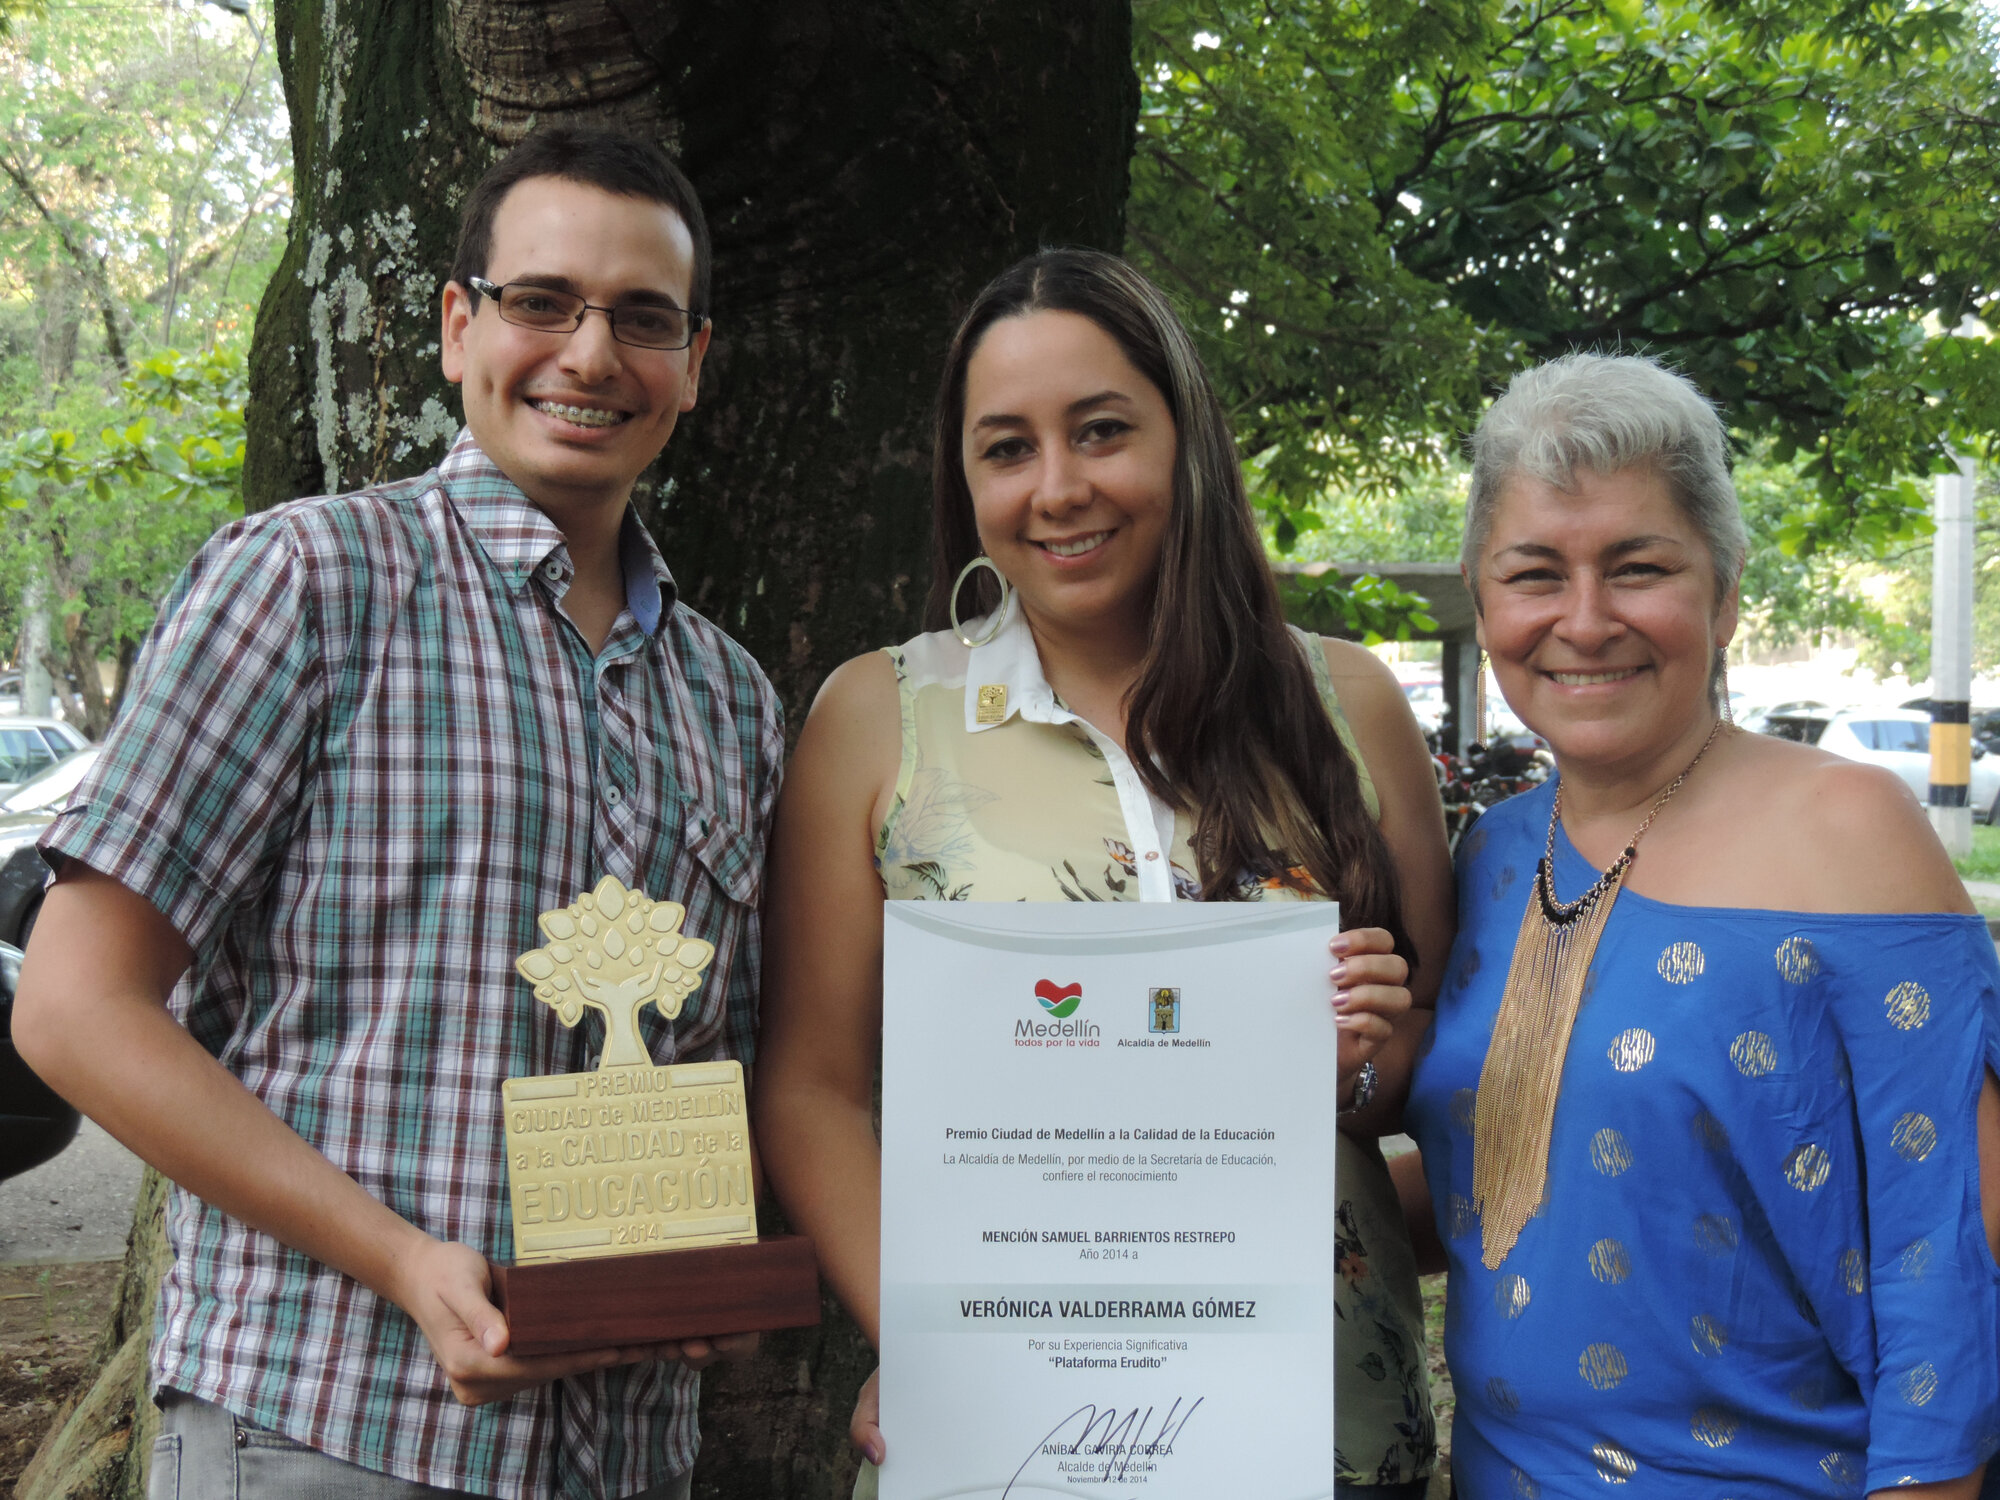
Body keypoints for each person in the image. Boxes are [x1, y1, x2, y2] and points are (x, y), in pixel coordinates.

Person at [12, 126, 781, 1500]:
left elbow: (708, 1064)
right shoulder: (309, 583)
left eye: (643, 319)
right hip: (327, 1423)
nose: (591, 356)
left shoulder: (729, 696)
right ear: (455, 325)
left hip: (625, 1452)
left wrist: (704, 1266)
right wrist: (402, 1261)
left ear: (696, 365)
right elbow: (75, 1011)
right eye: (542, 301)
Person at [751, 248, 1454, 1497]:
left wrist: (1363, 1047)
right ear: (962, 480)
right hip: (1001, 1430)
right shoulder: (879, 717)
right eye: (1006, 447)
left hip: (1318, 1425)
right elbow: (811, 1092)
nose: (1058, 487)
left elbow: (1412, 1084)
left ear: (1184, 439)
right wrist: (934, 1338)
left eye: (1100, 431)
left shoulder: (1345, 705)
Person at [1404, 353, 2000, 1496]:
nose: (1583, 620)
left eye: (1636, 568)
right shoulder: (1490, 854)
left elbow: (1946, 1258)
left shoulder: (1847, 831)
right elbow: (1507, 1182)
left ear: (1722, 594)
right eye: (1534, 574)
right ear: (1483, 605)